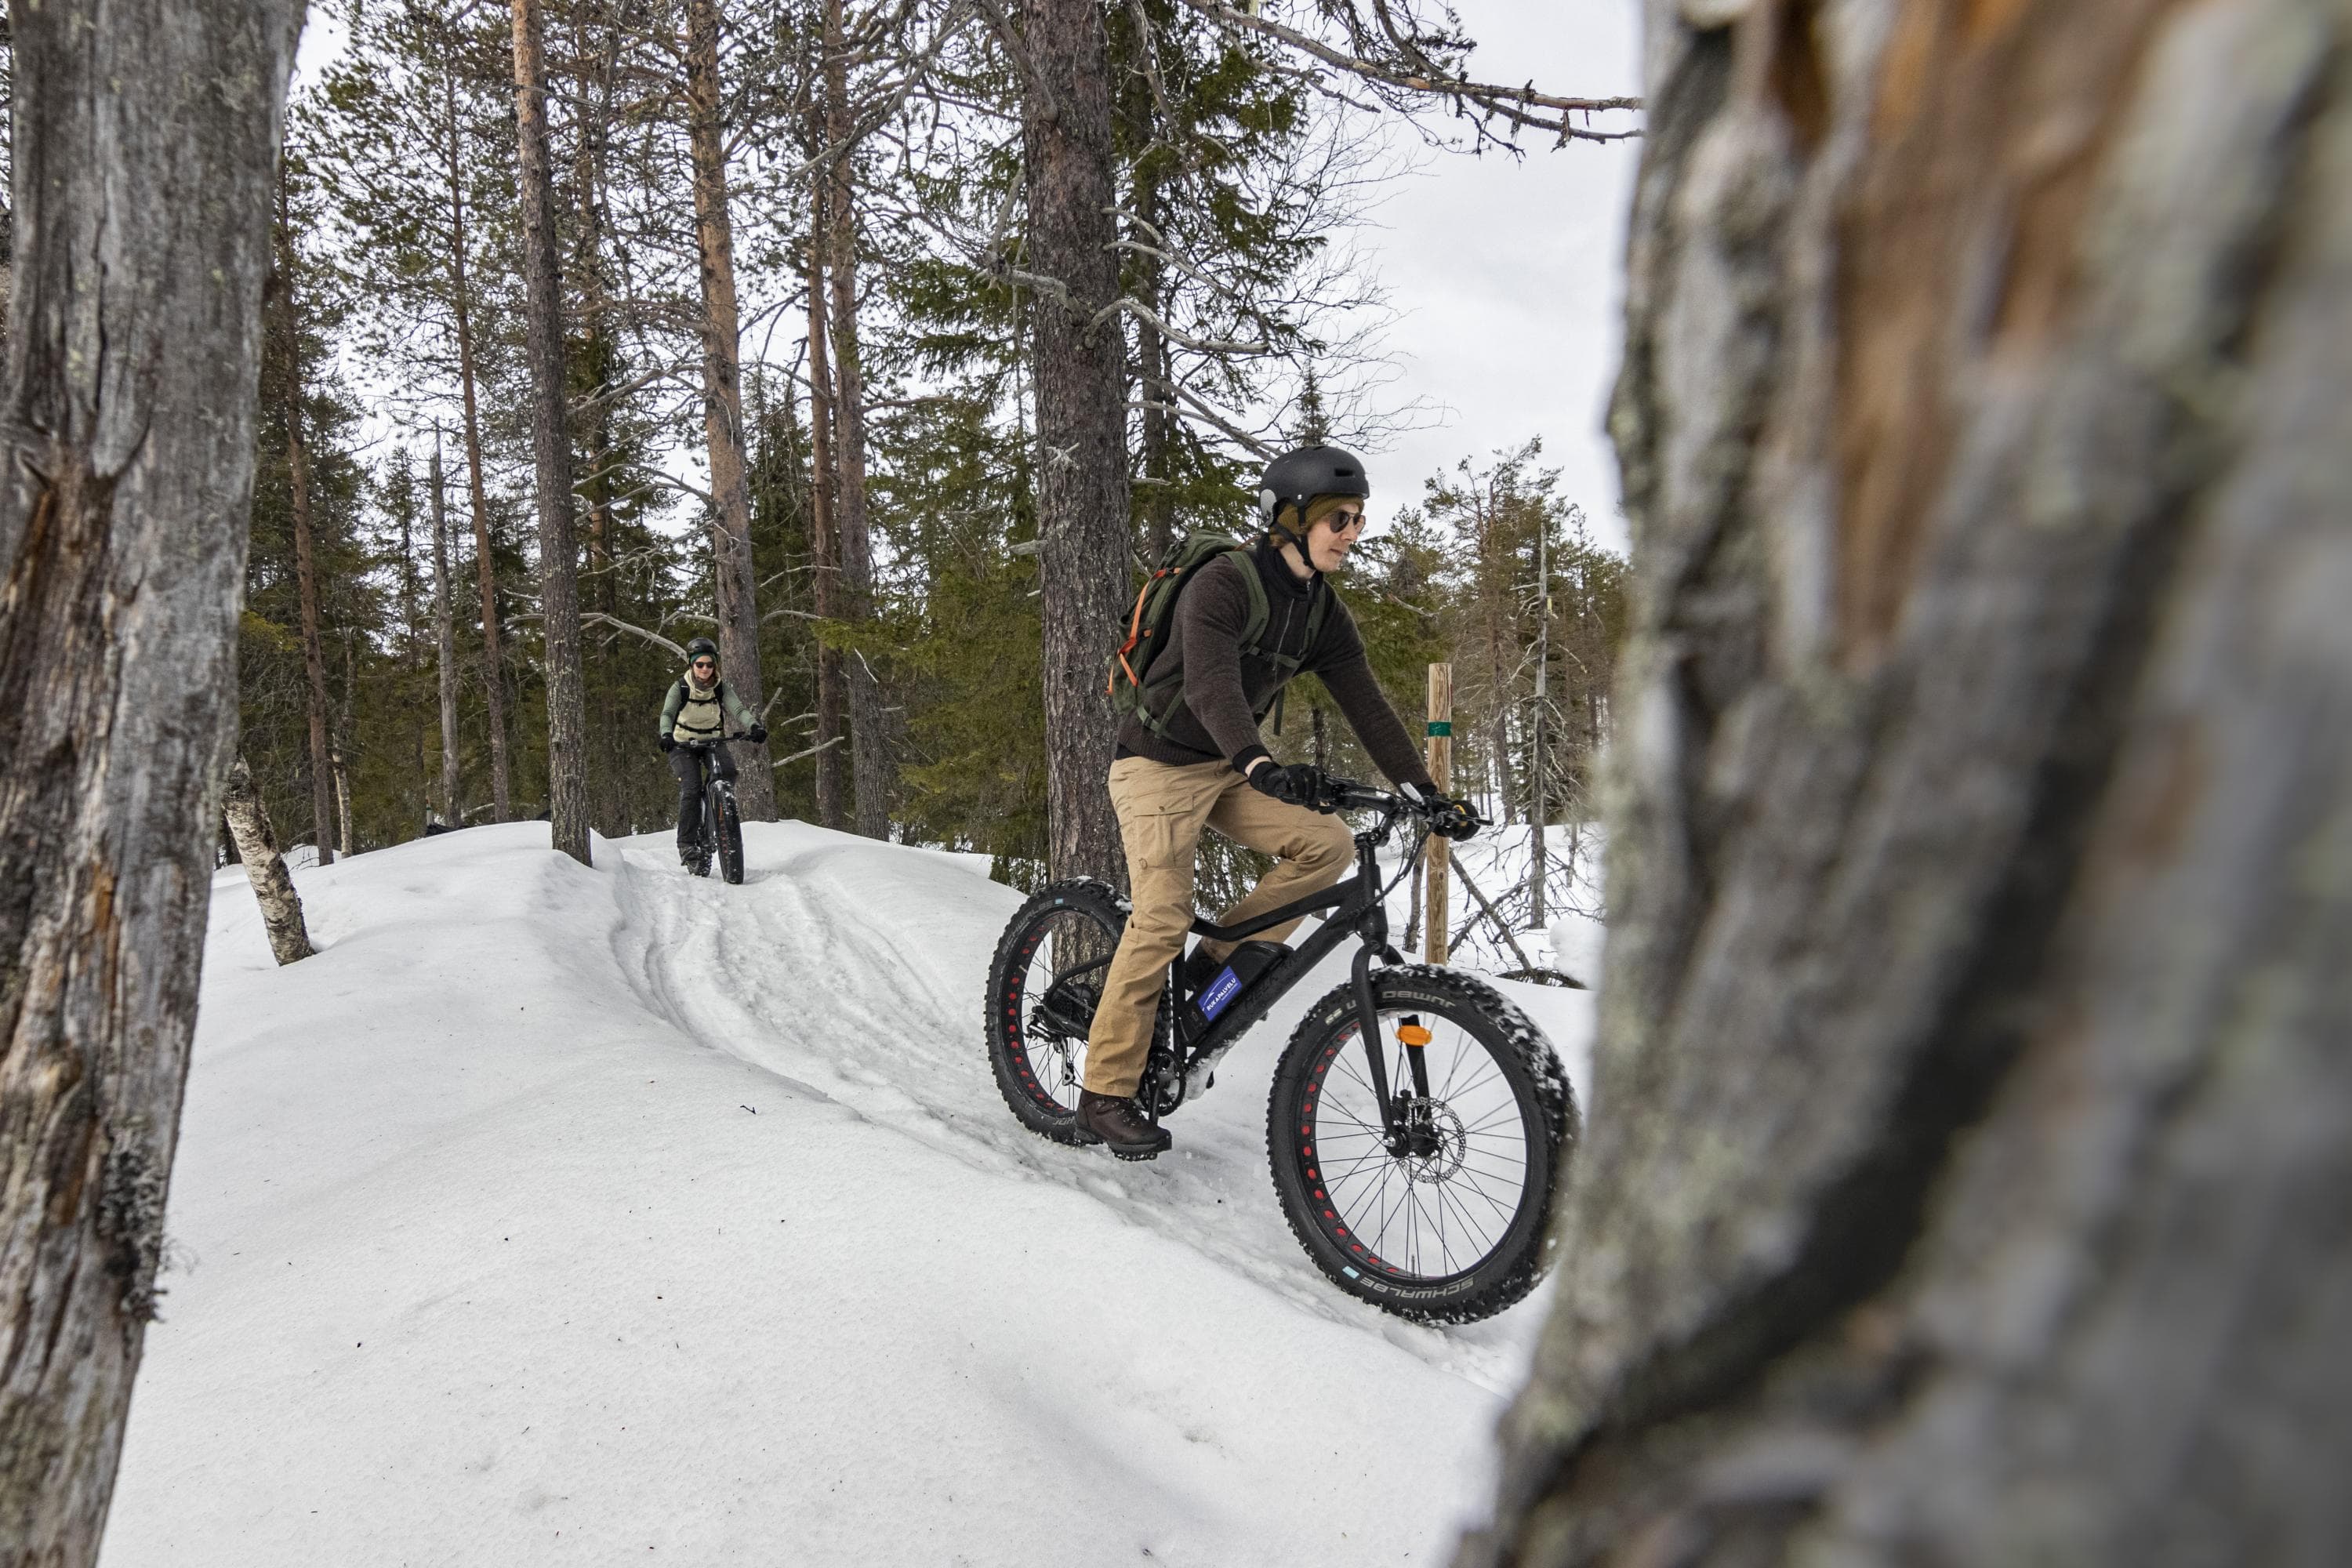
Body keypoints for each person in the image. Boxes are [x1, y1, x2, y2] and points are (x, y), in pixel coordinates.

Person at [1076, 445, 1477, 1158]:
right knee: (1162, 916)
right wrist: (1260, 762)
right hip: (1157, 765)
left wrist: (1426, 794)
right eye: (1339, 519)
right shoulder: (1226, 583)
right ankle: (1103, 1091)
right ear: (1289, 520)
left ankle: (1214, 970)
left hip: (1228, 770)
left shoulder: (1321, 611)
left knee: (1326, 846)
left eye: (1358, 518)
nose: (1353, 532)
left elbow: (1369, 708)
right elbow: (1210, 687)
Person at [658, 637, 766, 869]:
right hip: (682, 744)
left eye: (709, 664)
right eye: (700, 665)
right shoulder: (681, 687)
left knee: (727, 773)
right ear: (691, 665)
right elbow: (667, 713)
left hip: (713, 741)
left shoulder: (720, 687)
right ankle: (686, 844)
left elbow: (738, 709)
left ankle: (715, 813)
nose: (705, 669)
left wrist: (754, 726)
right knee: (692, 787)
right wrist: (666, 734)